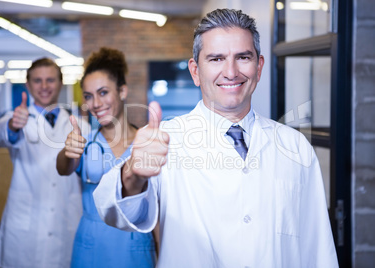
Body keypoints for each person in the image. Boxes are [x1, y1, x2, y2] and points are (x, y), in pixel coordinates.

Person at [93, 9, 339, 268]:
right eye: (216, 59)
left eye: (243, 57)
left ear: (259, 66)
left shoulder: (295, 146)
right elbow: (110, 209)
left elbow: (318, 248)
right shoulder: (166, 140)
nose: (231, 72)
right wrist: (133, 173)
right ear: (195, 71)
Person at [56, 47, 157, 267]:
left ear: (122, 91)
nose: (96, 103)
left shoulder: (147, 143)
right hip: (92, 246)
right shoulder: (84, 142)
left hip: (135, 245)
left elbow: (159, 205)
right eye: (89, 96)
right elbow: (63, 168)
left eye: (103, 92)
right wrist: (67, 152)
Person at [0, 58, 87, 268]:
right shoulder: (15, 118)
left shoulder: (79, 125)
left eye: (50, 80)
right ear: (28, 85)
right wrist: (13, 126)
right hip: (26, 222)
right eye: (37, 81)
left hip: (66, 217)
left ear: (61, 83)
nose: (44, 86)